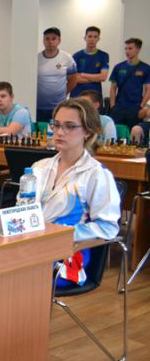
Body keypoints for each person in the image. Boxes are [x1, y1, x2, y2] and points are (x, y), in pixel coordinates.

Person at [31, 98, 120, 286]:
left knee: (10, 277)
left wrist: (60, 233)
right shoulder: (39, 167)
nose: (60, 132)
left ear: (87, 131)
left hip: (68, 257)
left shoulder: (96, 174)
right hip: (32, 247)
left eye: (70, 126)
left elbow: (108, 227)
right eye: (56, 125)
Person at [36, 27, 77, 122]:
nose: (50, 42)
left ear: (59, 41)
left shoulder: (67, 58)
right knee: (41, 130)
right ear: (43, 41)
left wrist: (63, 94)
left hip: (59, 106)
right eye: (47, 39)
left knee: (58, 129)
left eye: (54, 39)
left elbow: (73, 80)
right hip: (38, 107)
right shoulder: (36, 58)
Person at [109, 38, 150, 128]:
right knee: (117, 133)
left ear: (138, 49)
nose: (127, 51)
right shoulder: (118, 67)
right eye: (126, 48)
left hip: (135, 108)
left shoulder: (146, 68)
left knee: (133, 133)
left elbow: (148, 90)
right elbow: (113, 88)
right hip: (119, 107)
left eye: (130, 48)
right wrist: (112, 106)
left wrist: (141, 106)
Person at [70, 26, 110, 99]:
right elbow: (73, 79)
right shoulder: (76, 56)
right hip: (77, 95)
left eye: (95, 37)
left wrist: (82, 74)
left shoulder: (103, 56)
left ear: (98, 39)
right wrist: (95, 78)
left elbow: (103, 77)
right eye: (90, 36)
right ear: (85, 38)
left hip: (94, 96)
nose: (92, 39)